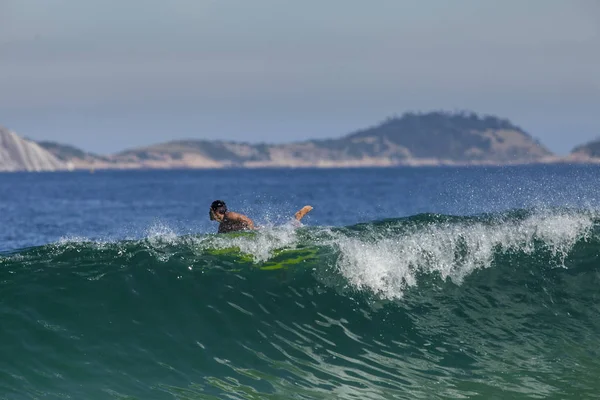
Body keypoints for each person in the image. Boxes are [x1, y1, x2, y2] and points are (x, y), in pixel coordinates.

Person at [209, 200, 313, 233]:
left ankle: (298, 216)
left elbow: (248, 220)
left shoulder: (230, 215)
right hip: (255, 232)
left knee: (288, 230)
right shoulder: (222, 226)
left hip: (257, 232)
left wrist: (252, 233)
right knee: (285, 229)